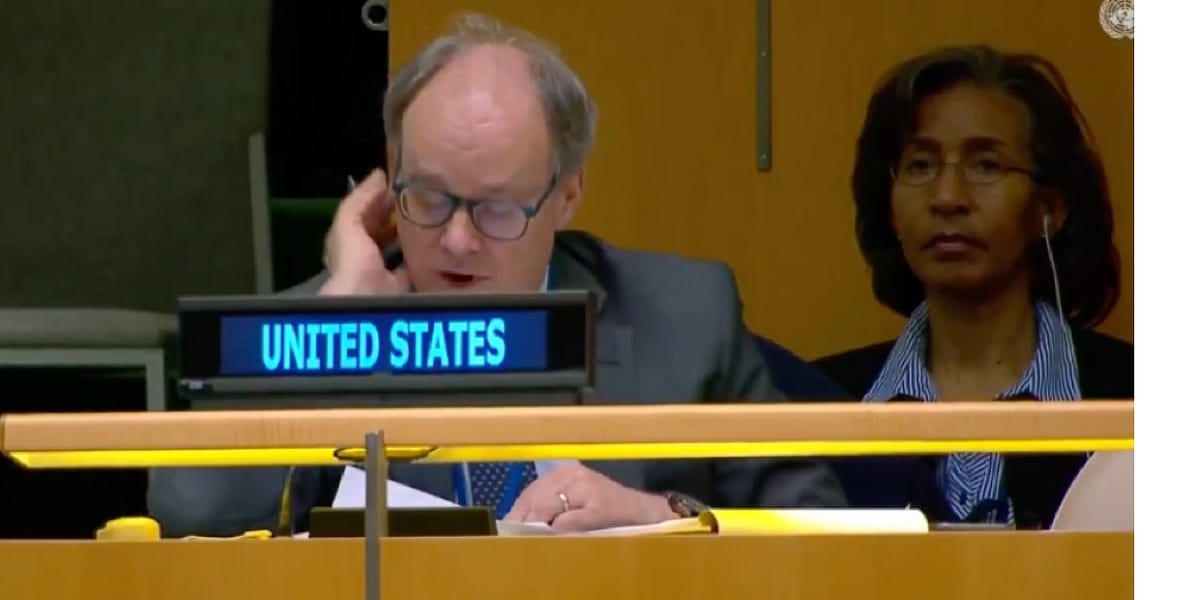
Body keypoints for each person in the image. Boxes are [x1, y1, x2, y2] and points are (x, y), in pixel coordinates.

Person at [148, 12, 845, 537]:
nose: (456, 240)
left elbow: (824, 527)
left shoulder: (684, 315)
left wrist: (663, 514)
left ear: (567, 194)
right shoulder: (328, 318)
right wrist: (338, 320)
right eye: (428, 198)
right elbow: (192, 515)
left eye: (496, 209)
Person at [814, 45, 1132, 528]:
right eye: (920, 165)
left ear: (1048, 208)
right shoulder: (813, 404)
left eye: (986, 165)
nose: (947, 198)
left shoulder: (1138, 394)